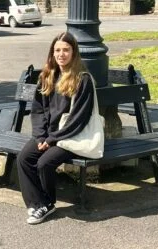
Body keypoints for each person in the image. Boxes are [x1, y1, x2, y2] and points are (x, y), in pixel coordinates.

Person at [17, 32, 95, 224]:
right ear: (52, 53)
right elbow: (38, 110)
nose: (61, 54)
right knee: (24, 159)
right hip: (48, 135)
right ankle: (37, 204)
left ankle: (48, 203)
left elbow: (78, 119)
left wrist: (52, 140)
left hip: (70, 137)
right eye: (58, 50)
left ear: (74, 52)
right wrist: (40, 136)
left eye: (66, 50)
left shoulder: (82, 79)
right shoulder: (47, 76)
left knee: (45, 163)